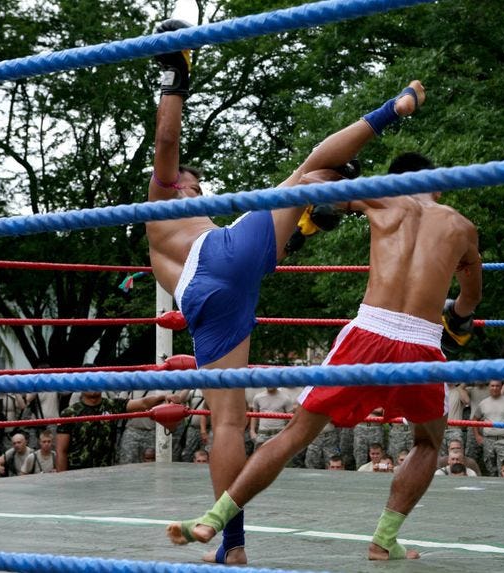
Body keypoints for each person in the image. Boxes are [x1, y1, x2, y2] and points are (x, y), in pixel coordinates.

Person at [147, 17, 428, 563]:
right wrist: (174, 77)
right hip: (220, 263)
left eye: (200, 188)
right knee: (309, 172)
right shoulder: (163, 196)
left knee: (227, 421)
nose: (198, 191)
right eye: (194, 185)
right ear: (178, 184)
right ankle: (384, 120)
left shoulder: (181, 229)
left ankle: (231, 546)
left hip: (205, 300)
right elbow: (166, 138)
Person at [165, 97, 483, 563]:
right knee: (428, 442)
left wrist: (325, 203)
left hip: (368, 333)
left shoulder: (381, 195)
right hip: (420, 341)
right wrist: (457, 317)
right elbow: (471, 296)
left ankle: (214, 518)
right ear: (435, 185)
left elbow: (314, 178)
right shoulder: (462, 226)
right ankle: (384, 541)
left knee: (295, 434)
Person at [56, 391, 177, 472]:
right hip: (77, 472)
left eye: (96, 380)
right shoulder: (70, 413)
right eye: (89, 380)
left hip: (106, 472)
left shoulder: (111, 406)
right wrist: (62, 480)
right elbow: (61, 450)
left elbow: (143, 403)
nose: (93, 385)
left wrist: (163, 397)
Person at [472, 380, 504, 476]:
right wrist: (477, 435)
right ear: (489, 387)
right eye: (492, 386)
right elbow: (475, 419)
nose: (495, 388)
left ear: (501, 387)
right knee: (490, 470)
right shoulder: (483, 403)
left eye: (497, 386)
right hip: (488, 441)